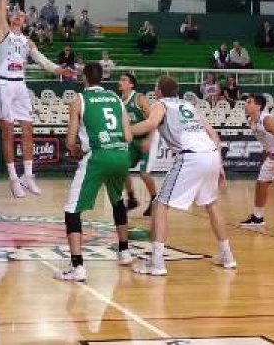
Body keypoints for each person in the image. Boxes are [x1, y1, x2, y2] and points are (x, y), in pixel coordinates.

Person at [129, 76, 236, 276]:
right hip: (211, 155)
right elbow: (213, 134)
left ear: (159, 91)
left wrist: (123, 130)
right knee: (211, 205)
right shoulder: (188, 105)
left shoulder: (160, 104)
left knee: (160, 205)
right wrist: (219, 164)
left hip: (190, 157)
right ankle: (227, 256)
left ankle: (157, 263)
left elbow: (151, 124)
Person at [0, 0, 74, 199]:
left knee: (27, 128)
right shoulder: (3, 32)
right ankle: (13, 178)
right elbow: (1, 2)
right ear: (11, 17)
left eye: (21, 14)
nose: (18, 15)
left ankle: (28, 175)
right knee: (8, 130)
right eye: (15, 13)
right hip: (3, 82)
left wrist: (61, 70)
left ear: (25, 20)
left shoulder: (28, 42)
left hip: (19, 84)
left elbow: (44, 62)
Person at [54, 63, 133, 281]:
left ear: (84, 79)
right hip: (121, 154)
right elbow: (128, 137)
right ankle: (124, 251)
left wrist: (77, 151)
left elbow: (70, 140)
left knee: (72, 210)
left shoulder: (79, 100)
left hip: (97, 156)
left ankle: (77, 267)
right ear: (103, 78)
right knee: (117, 200)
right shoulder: (117, 99)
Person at [239, 94, 274, 236]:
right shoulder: (252, 120)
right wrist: (269, 156)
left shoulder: (267, 120)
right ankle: (257, 217)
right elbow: (267, 141)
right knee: (261, 183)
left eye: (249, 102)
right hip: (273, 155)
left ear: (258, 106)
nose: (246, 104)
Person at [119, 73, 157, 216]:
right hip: (133, 139)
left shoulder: (139, 98)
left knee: (144, 173)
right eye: (120, 79)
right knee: (122, 168)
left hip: (148, 137)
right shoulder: (120, 101)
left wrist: (149, 139)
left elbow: (153, 120)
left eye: (124, 80)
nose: (120, 82)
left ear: (131, 84)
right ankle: (132, 199)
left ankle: (154, 201)